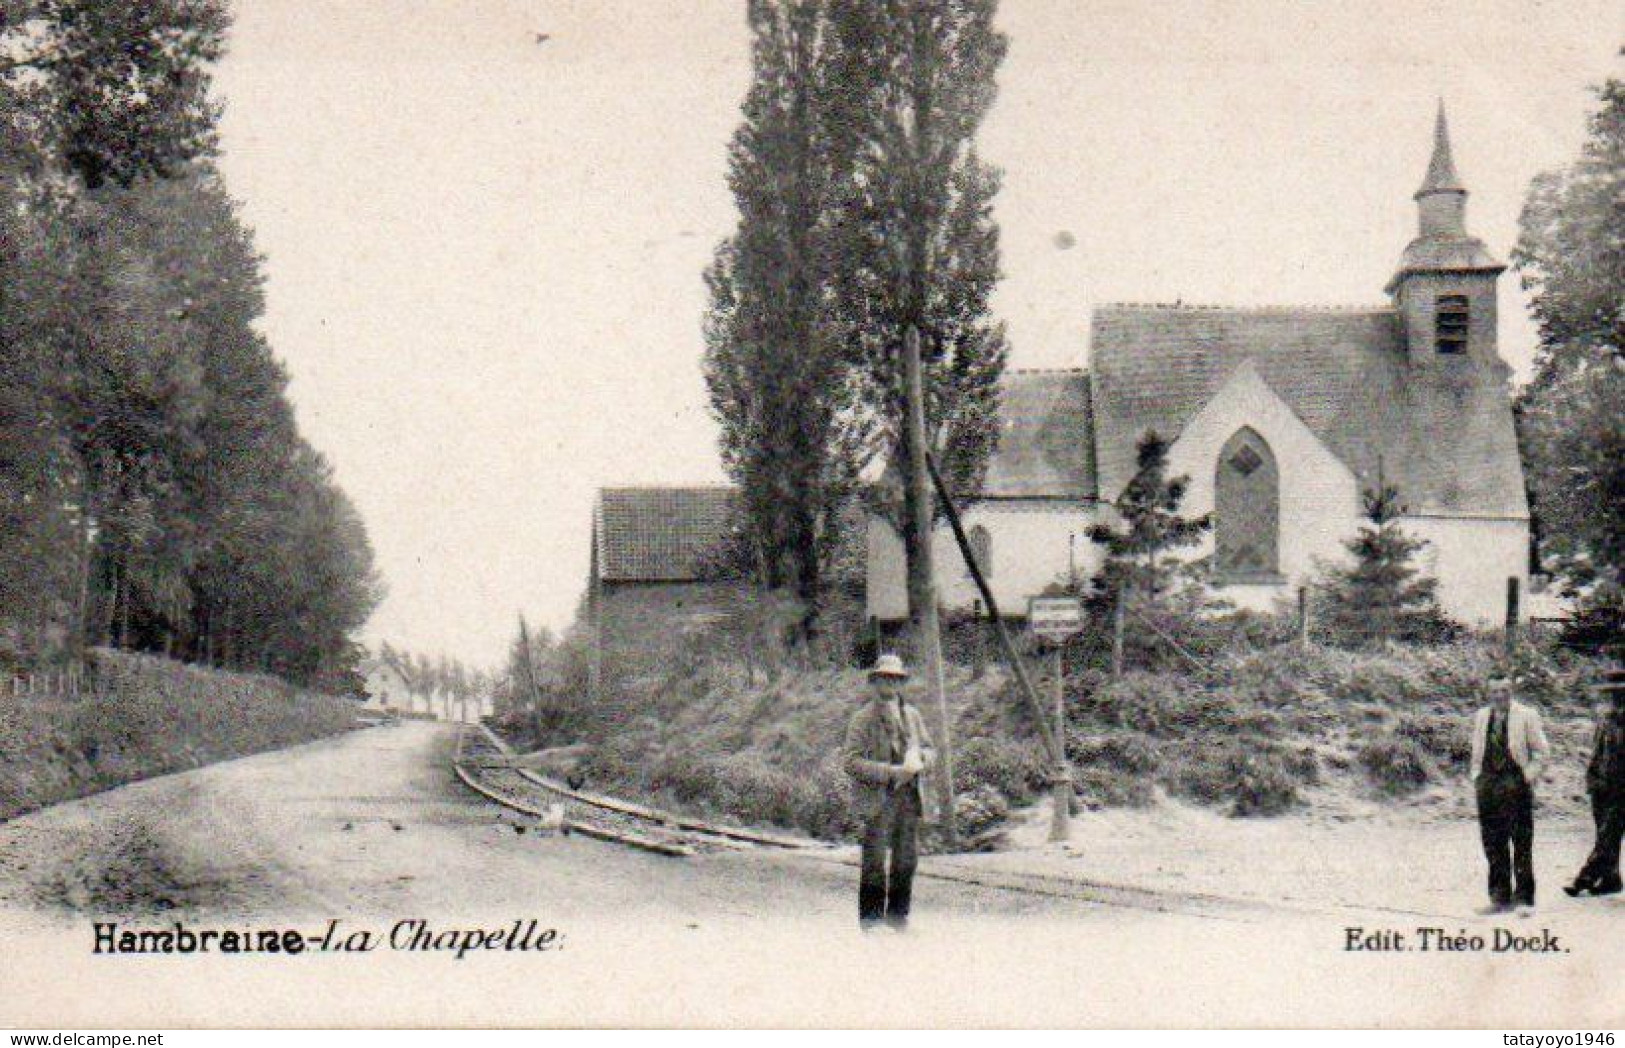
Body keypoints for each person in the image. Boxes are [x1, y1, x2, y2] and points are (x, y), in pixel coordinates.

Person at [842, 653, 935, 932]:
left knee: (906, 860)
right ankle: (871, 921)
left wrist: (922, 760)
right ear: (875, 682)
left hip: (909, 797)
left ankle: (898, 917)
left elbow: (930, 749)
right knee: (874, 861)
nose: (890, 684)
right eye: (884, 678)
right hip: (878, 801)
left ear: (901, 682)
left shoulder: (913, 715)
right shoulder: (862, 719)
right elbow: (851, 762)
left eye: (895, 679)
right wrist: (892, 773)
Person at [1469, 670, 1551, 914]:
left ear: (1511, 691)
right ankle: (1499, 897)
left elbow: (1542, 753)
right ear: (1488, 692)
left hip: (1515, 784)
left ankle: (1524, 899)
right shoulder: (1482, 716)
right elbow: (1477, 751)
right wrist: (1477, 777)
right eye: (1495, 691)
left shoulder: (1527, 715)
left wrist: (1526, 777)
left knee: (1521, 842)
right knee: (1493, 842)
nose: (1500, 696)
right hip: (1488, 785)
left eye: (1504, 690)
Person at [1564, 667, 1625, 898]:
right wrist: (1591, 779)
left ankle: (1585, 877)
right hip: (1602, 784)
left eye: (1620, 695)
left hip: (1622, 788)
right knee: (1604, 834)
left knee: (1608, 835)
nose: (1616, 700)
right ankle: (1611, 879)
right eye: (1612, 695)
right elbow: (1597, 753)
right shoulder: (1605, 720)